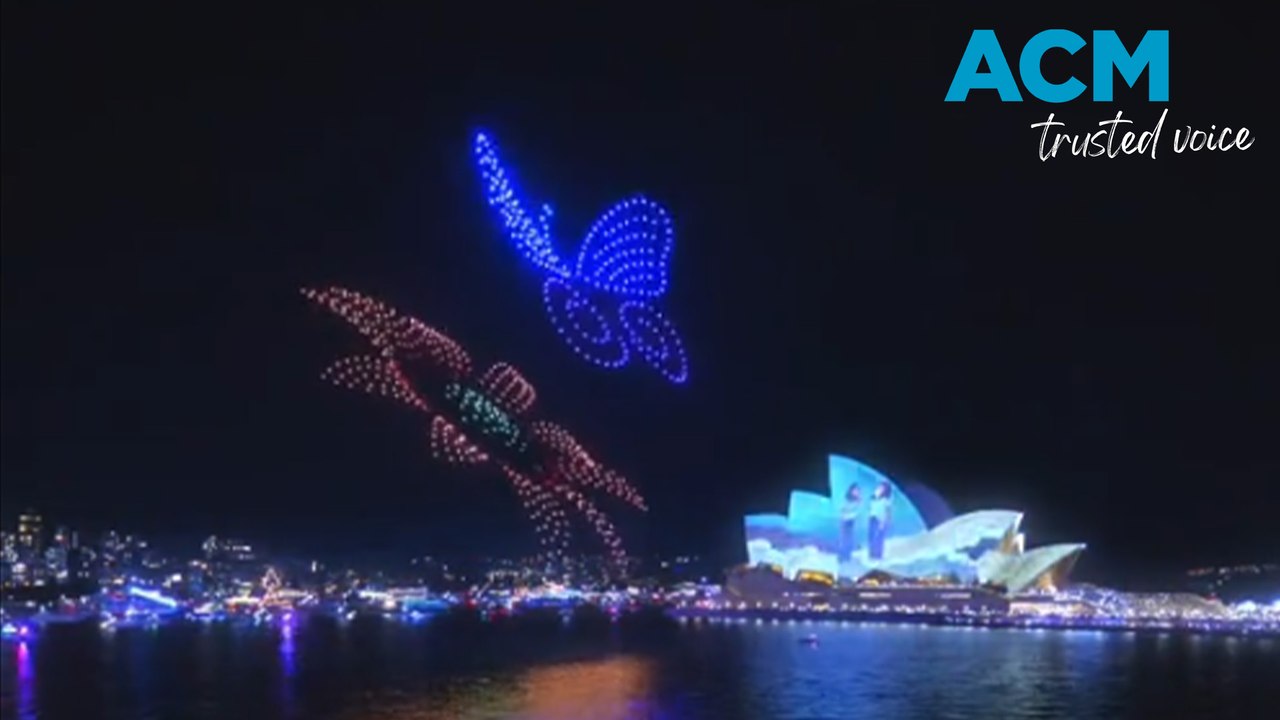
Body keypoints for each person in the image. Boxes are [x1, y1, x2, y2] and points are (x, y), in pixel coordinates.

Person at [867, 481, 893, 561]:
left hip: (881, 519)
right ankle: (871, 555)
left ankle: (878, 556)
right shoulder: (874, 496)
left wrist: (884, 522)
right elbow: (871, 506)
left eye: (883, 488)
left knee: (879, 538)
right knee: (871, 537)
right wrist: (876, 495)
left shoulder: (887, 499)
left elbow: (888, 511)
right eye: (880, 487)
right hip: (872, 518)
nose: (880, 489)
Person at [838, 484, 861, 561]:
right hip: (844, 520)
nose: (856, 492)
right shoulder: (846, 498)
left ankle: (847, 556)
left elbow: (858, 511)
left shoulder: (858, 500)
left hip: (851, 521)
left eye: (857, 491)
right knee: (844, 538)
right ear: (851, 490)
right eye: (855, 490)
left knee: (849, 539)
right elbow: (843, 509)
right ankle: (841, 556)